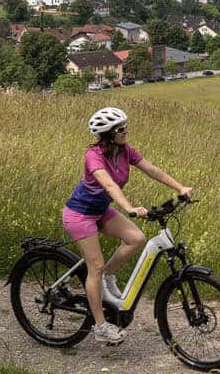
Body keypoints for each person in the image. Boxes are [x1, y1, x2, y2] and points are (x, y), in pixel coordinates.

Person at [65, 106, 194, 346]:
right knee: (95, 266)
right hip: (80, 215)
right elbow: (109, 185)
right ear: (108, 134)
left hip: (100, 211)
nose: (126, 131)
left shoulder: (125, 151)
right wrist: (130, 207)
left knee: (136, 238)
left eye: (125, 126)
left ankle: (107, 276)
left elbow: (151, 169)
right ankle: (101, 326)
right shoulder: (93, 155)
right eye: (121, 128)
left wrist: (179, 187)